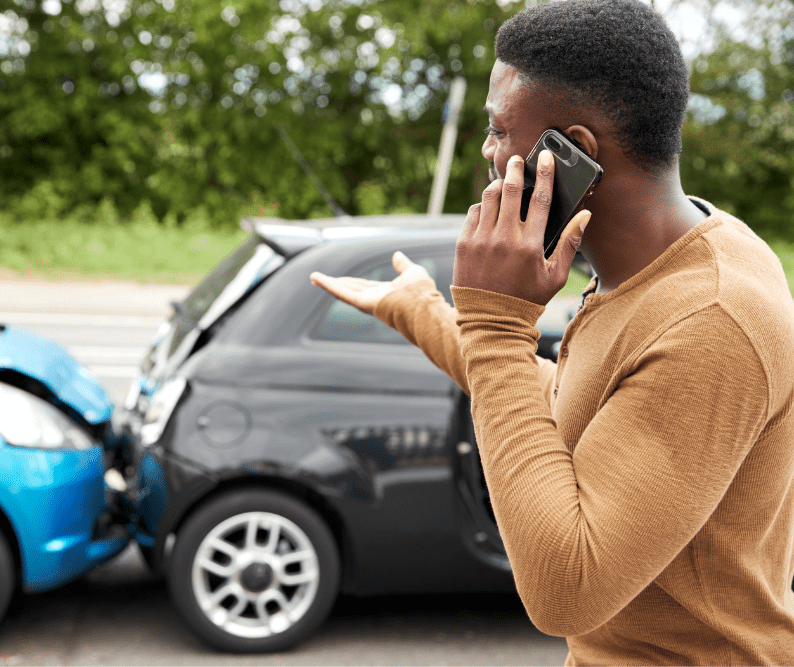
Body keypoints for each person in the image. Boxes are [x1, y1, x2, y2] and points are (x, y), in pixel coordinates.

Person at [310, 0, 794, 664]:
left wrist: (496, 324)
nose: (487, 150)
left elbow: (566, 589)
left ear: (572, 153)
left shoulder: (713, 316)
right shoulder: (656, 266)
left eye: (500, 128)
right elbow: (580, 400)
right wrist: (425, 312)